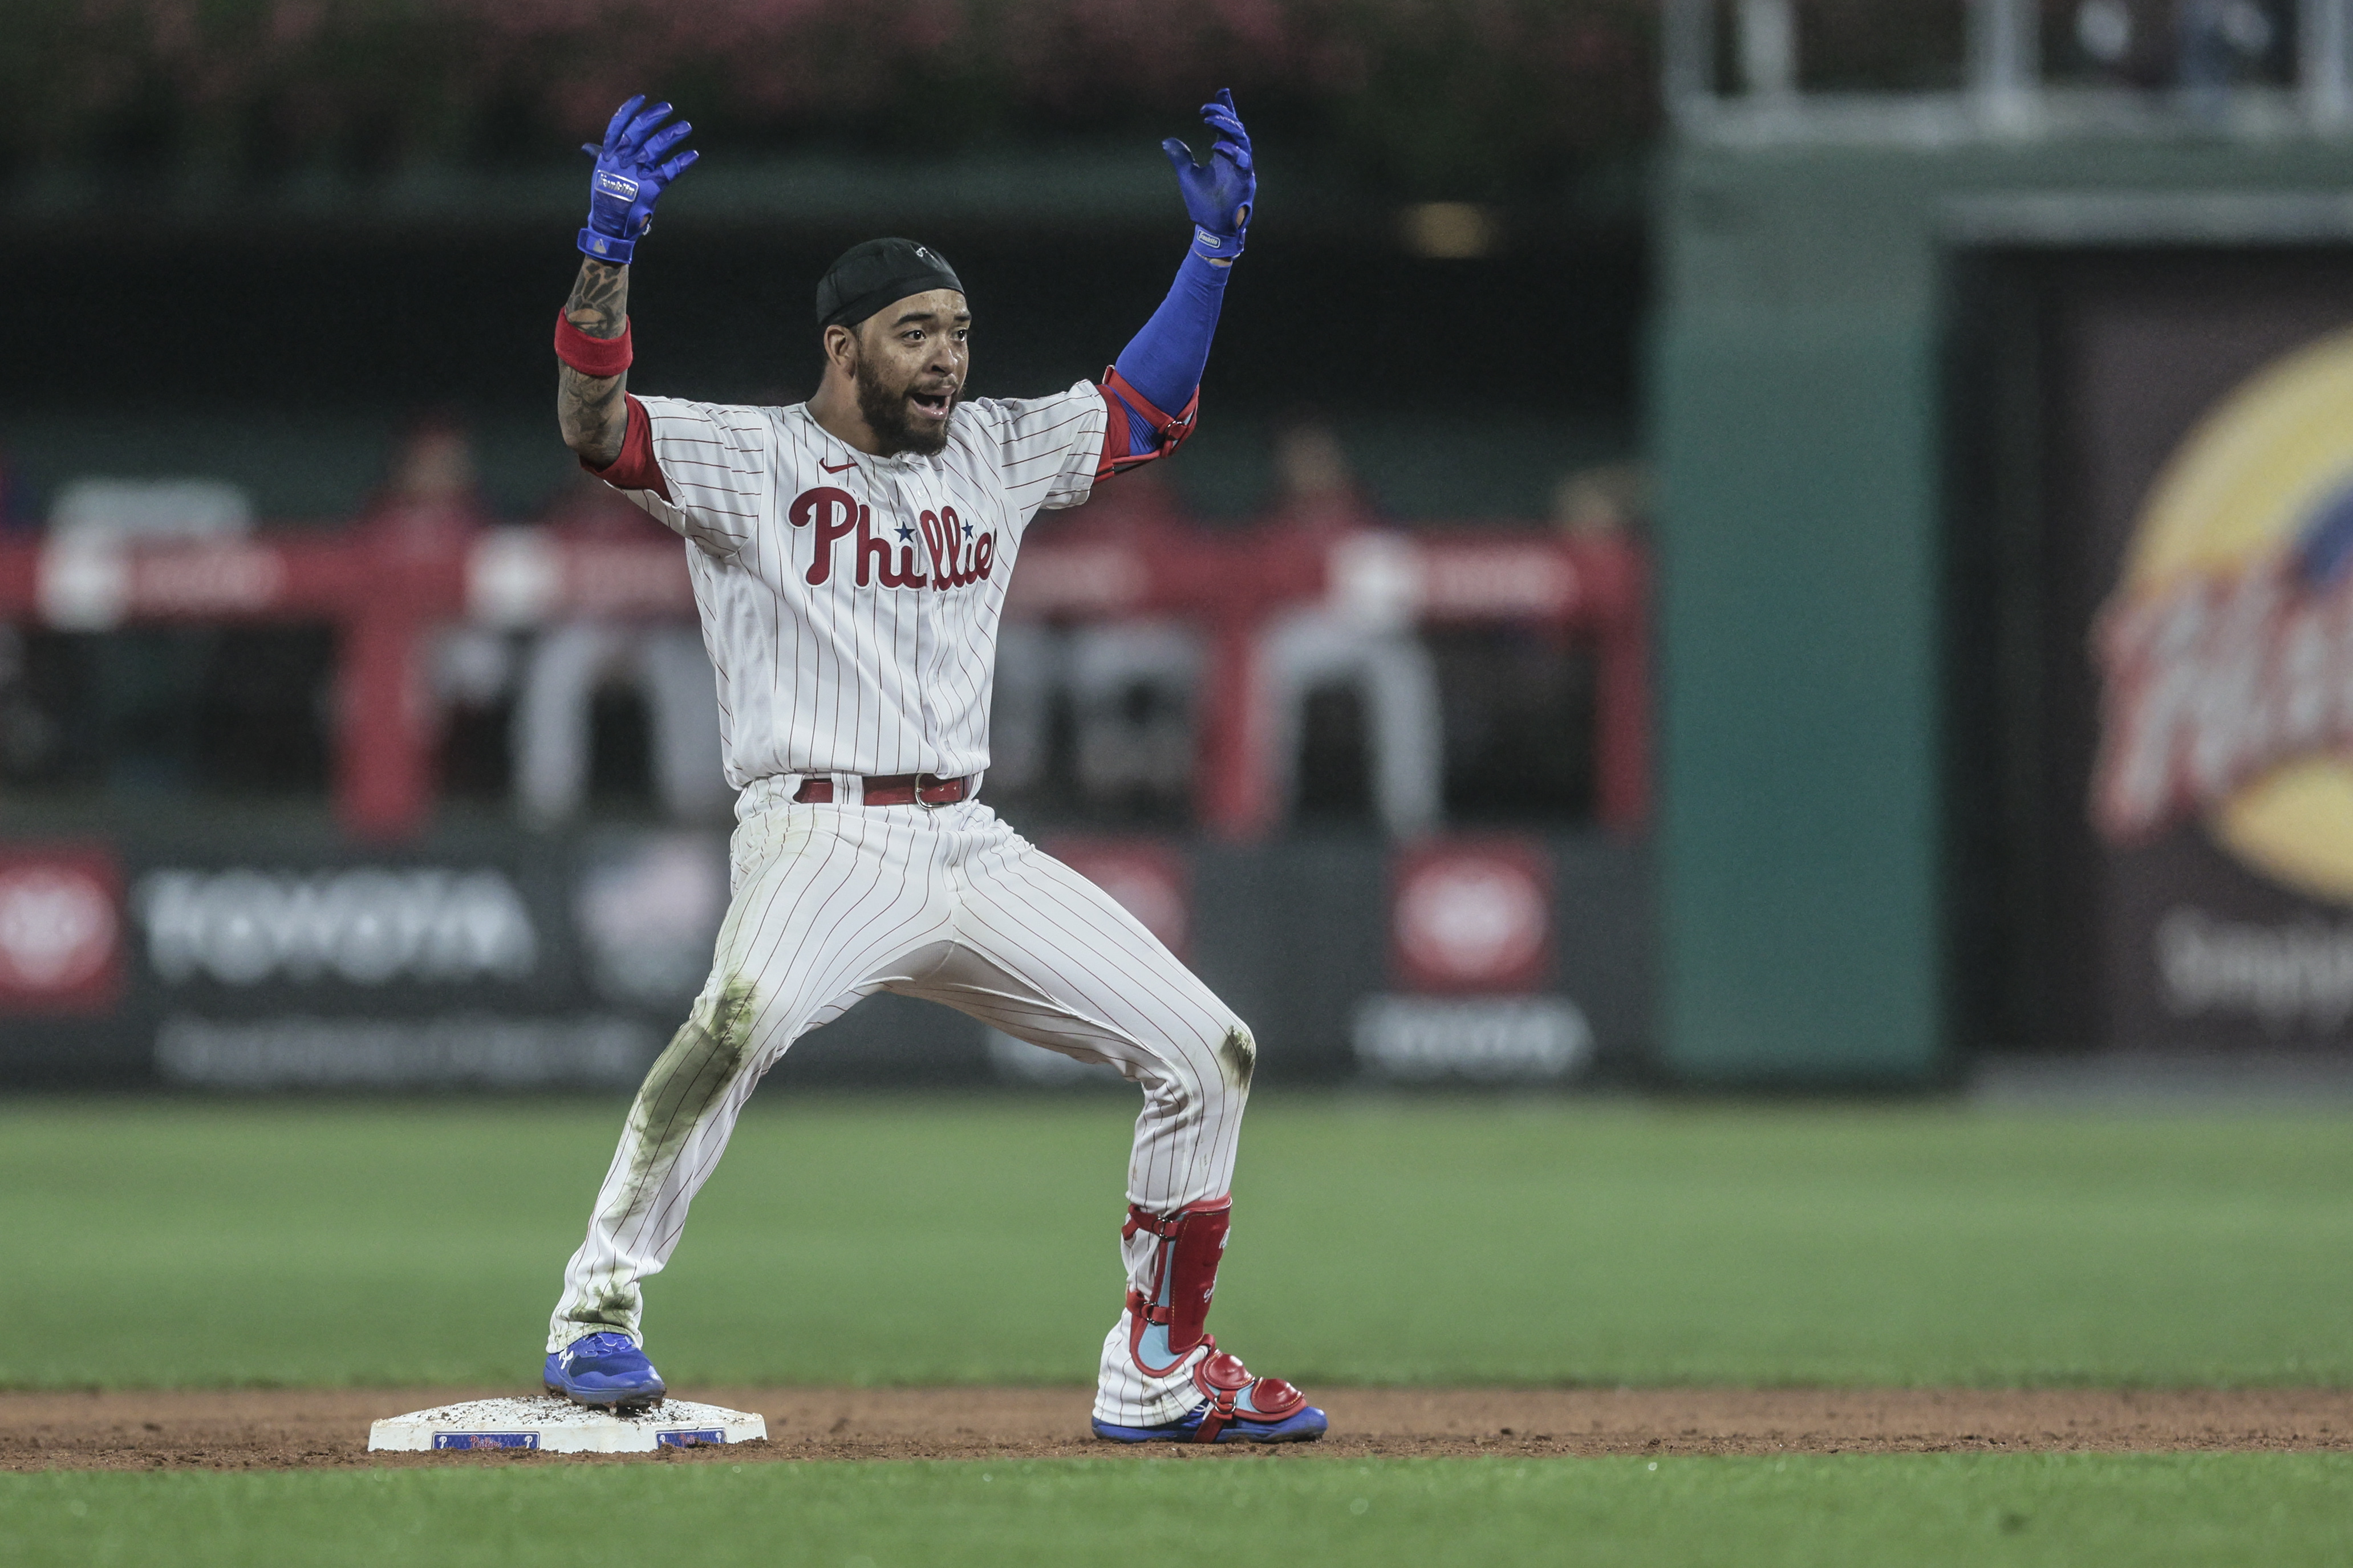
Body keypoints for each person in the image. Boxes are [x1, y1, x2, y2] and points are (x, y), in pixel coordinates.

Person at [538, 92, 1324, 1445]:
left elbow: (1143, 410)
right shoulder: (748, 455)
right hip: (818, 838)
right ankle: (595, 1307)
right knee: (736, 1020)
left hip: (968, 840)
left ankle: (1157, 1362)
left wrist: (1212, 259)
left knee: (1208, 1048)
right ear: (842, 346)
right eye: (916, 333)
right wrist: (606, 252)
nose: (947, 358)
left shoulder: (999, 447)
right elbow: (591, 422)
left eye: (958, 332)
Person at [509, 473, 729, 826]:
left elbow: (701, 595)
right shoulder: (557, 517)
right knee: (553, 665)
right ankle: (547, 805)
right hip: (578, 629)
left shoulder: (663, 512)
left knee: (689, 668)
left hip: (654, 631)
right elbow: (521, 598)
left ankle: (696, 801)